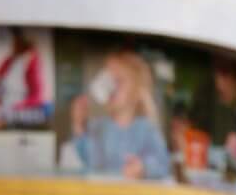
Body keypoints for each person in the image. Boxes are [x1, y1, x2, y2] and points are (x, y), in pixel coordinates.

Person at [62, 50, 171, 180]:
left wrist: (143, 167)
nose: (111, 86)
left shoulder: (146, 129)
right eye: (108, 79)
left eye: (118, 81)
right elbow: (88, 158)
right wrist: (78, 124)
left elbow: (163, 163)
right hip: (100, 194)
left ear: (136, 92)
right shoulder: (97, 126)